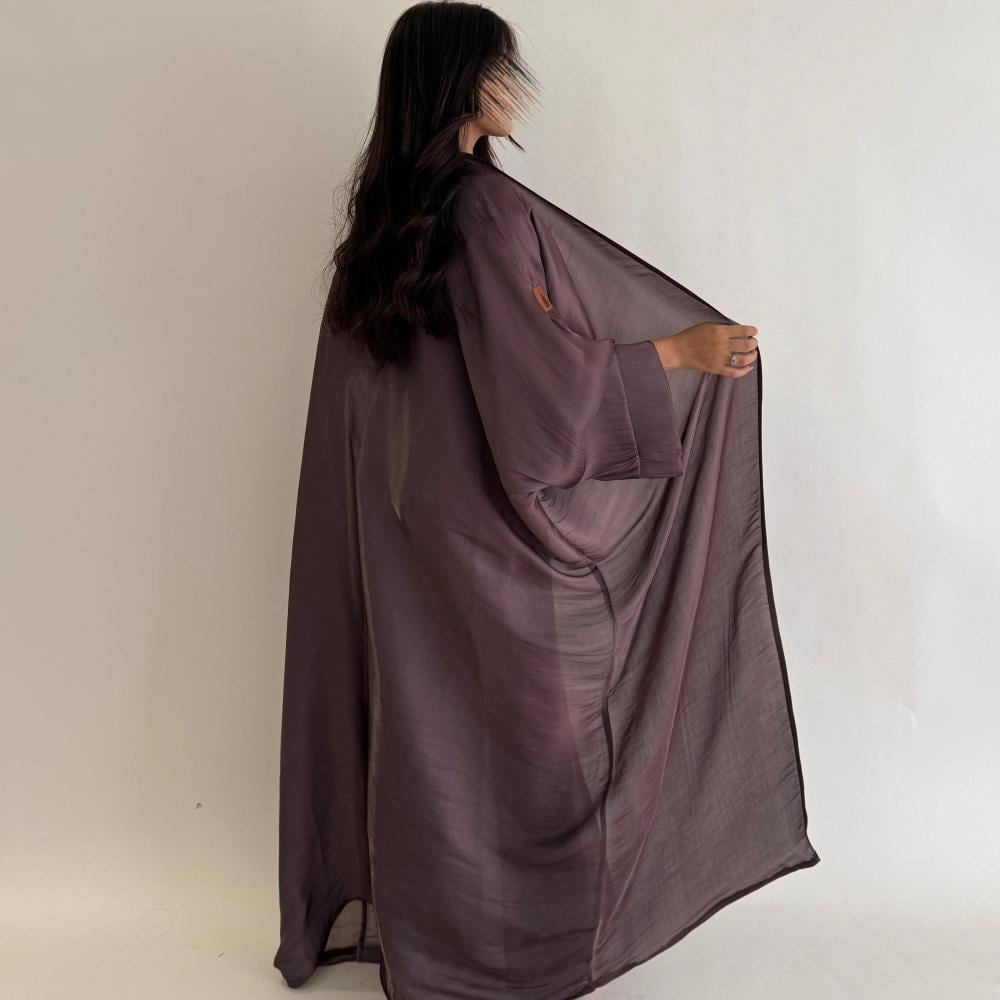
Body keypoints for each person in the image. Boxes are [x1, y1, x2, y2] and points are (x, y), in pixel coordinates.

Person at [273, 3, 819, 998]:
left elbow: (378, 409)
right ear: (458, 83)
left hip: (406, 534)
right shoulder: (486, 212)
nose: (513, 84)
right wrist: (679, 353)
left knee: (431, 736)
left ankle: (433, 950)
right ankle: (518, 953)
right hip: (492, 532)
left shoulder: (379, 229)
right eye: (497, 67)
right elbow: (543, 395)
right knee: (531, 744)